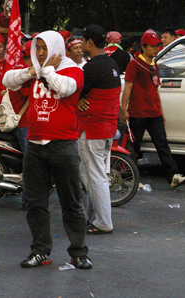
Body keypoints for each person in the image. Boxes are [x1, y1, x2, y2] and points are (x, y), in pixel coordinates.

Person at [2, 31, 92, 270]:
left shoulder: (73, 69)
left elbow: (66, 87)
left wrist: (47, 71)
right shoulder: (35, 69)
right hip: (34, 145)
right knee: (35, 203)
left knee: (71, 202)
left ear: (56, 47)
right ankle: (40, 251)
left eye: (45, 48)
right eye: (37, 48)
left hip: (63, 146)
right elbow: (8, 80)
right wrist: (35, 70)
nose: (41, 53)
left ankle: (78, 253)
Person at [120, 31, 185, 188]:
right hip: (138, 113)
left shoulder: (154, 65)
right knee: (133, 147)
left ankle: (173, 176)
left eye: (157, 45)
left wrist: (161, 113)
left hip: (154, 113)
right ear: (143, 47)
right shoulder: (135, 64)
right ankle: (128, 177)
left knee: (162, 144)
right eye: (152, 46)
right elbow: (128, 87)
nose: (156, 49)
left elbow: (155, 90)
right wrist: (124, 109)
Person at [77, 25, 121, 234]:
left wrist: (80, 99)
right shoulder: (111, 64)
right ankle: (93, 218)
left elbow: (74, 93)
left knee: (95, 177)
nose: (82, 44)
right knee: (91, 176)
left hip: (93, 129)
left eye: (83, 41)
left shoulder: (91, 68)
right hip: (106, 129)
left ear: (90, 43)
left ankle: (103, 221)